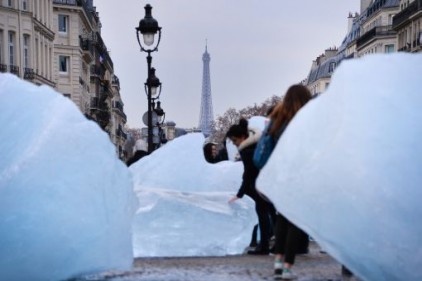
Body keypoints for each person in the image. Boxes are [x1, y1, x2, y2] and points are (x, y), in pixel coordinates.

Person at [260, 84, 312, 280]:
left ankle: (278, 264)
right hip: (299, 174)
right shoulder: (306, 119)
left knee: (281, 218)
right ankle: (288, 267)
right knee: (295, 221)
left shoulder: (276, 119)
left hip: (278, 174)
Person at [226, 118, 273, 255]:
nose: (235, 144)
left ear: (242, 137)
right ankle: (265, 244)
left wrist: (239, 194)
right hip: (266, 182)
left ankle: (263, 246)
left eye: (235, 141)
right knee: (265, 213)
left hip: (260, 185)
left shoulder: (246, 150)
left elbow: (248, 174)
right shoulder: (257, 143)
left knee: (262, 213)